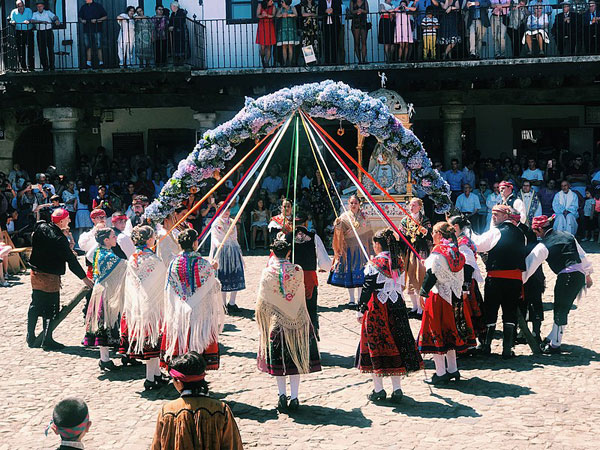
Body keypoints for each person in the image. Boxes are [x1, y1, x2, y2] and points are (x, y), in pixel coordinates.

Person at [356, 229, 424, 402]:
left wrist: (361, 308)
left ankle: (378, 389)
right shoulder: (398, 261)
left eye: (374, 244)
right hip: (397, 306)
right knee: (397, 340)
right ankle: (397, 388)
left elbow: (368, 287)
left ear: (378, 245)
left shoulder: (375, 263)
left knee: (376, 343)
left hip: (378, 307)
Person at [256, 236, 321, 412]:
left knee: (280, 362)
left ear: (273, 253)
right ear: (289, 252)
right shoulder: (297, 270)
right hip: (297, 320)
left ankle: (282, 395)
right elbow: (300, 293)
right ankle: (295, 396)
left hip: (277, 321)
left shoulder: (267, 272)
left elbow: (263, 299)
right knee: (295, 361)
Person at [524, 215, 593, 354]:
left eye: (535, 232)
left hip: (566, 277)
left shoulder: (543, 246)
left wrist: (520, 280)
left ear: (539, 230)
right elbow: (582, 256)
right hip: (578, 275)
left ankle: (555, 344)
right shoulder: (568, 236)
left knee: (560, 309)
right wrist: (587, 275)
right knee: (563, 308)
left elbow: (530, 266)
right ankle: (553, 337)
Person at [27, 208, 93, 350]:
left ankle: (30, 336)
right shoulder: (59, 239)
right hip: (50, 276)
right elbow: (71, 261)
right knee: (51, 308)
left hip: (35, 273)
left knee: (35, 303)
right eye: (68, 218)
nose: (69, 221)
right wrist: (85, 279)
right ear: (62, 221)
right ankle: (47, 340)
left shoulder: (40, 227)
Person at [151, 352, 243, 449]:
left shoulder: (167, 411)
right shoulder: (221, 409)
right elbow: (233, 445)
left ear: (179, 382)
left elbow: (157, 446)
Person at [418, 222, 472, 385]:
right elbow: (466, 271)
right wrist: (464, 290)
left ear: (440, 235)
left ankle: (440, 372)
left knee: (438, 333)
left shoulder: (438, 253)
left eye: (434, 233)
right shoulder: (456, 251)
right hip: (455, 297)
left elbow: (432, 274)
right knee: (451, 332)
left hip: (439, 297)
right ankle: (453, 369)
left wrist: (422, 292)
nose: (432, 236)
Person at [162, 229, 224, 370]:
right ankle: (196, 370)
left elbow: (170, 287)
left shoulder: (173, 264)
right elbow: (213, 287)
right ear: (195, 243)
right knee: (197, 339)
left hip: (180, 310)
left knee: (182, 337)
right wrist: (213, 269)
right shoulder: (203, 264)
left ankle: (181, 369)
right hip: (199, 312)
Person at [471, 204, 527, 359]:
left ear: (506, 216)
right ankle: (507, 349)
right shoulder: (521, 234)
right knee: (510, 311)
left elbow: (479, 245)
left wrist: (468, 232)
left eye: (497, 214)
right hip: (515, 279)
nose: (494, 217)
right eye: (493, 214)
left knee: (491, 311)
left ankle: (487, 346)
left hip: (496, 278)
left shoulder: (496, 232)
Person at [120, 225, 167, 390]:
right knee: (153, 341)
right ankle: (150, 377)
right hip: (152, 304)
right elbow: (163, 278)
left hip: (137, 304)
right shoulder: (152, 259)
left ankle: (156, 374)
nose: (155, 239)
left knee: (150, 340)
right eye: (153, 236)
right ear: (148, 239)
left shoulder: (133, 257)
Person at [84, 227, 128, 371]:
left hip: (102, 291)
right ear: (106, 240)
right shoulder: (107, 256)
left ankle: (107, 358)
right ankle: (105, 359)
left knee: (104, 324)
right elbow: (125, 266)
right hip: (105, 294)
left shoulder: (99, 252)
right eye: (113, 236)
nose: (116, 238)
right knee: (104, 324)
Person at [284, 212, 332, 338]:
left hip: (292, 278)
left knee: (292, 310)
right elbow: (325, 263)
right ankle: (312, 340)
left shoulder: (287, 237)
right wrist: (325, 267)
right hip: (309, 278)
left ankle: (293, 339)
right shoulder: (314, 237)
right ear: (306, 223)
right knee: (311, 309)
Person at [328, 195, 374, 305]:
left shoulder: (364, 217)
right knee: (350, 274)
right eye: (351, 203)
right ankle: (351, 299)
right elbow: (339, 233)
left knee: (360, 274)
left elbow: (369, 234)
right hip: (348, 249)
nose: (353, 205)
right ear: (348, 204)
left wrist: (371, 250)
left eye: (355, 203)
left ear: (359, 204)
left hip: (361, 249)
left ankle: (360, 298)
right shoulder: (344, 217)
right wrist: (338, 225)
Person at [209, 203, 246, 313]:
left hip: (233, 251)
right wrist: (218, 244)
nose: (226, 213)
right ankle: (223, 303)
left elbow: (235, 237)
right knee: (223, 277)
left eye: (228, 210)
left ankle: (232, 303)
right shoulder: (216, 223)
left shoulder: (232, 222)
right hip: (222, 252)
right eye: (224, 210)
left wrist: (238, 250)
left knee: (235, 275)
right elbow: (214, 237)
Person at [398, 198, 432, 318]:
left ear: (419, 207)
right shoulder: (405, 220)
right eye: (410, 205)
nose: (411, 207)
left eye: (414, 205)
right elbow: (401, 236)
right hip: (410, 252)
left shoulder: (424, 220)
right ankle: (414, 306)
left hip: (421, 251)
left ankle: (421, 307)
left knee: (420, 276)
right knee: (411, 277)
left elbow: (429, 234)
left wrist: (425, 232)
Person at [31, 1, 60, 71]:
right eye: (38, 7)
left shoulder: (48, 12)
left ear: (43, 6)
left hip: (48, 31)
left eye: (40, 6)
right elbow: (32, 21)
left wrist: (56, 20)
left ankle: (52, 66)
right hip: (40, 32)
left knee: (50, 49)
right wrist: (41, 22)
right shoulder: (35, 13)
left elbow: (54, 17)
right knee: (42, 50)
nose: (39, 8)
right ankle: (45, 66)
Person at [78, 0, 107, 69]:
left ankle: (101, 63)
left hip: (97, 29)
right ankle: (88, 64)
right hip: (87, 30)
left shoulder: (98, 6)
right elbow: (80, 17)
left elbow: (105, 16)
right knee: (88, 46)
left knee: (99, 46)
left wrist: (97, 20)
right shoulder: (83, 7)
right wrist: (82, 20)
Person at [10, 0, 34, 72]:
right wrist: (13, 22)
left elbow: (30, 19)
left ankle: (31, 67)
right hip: (19, 32)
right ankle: (23, 67)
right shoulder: (14, 12)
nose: (20, 7)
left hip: (28, 31)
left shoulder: (28, 10)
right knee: (21, 50)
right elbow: (11, 20)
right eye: (18, 6)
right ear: (16, 6)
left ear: (23, 5)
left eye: (21, 6)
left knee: (30, 49)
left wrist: (28, 21)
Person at [319, 0, 342, 64]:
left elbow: (339, 11)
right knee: (326, 43)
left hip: (335, 25)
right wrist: (325, 11)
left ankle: (334, 60)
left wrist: (333, 11)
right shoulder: (321, 2)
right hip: (325, 25)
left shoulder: (336, 1)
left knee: (334, 42)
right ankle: (327, 60)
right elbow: (319, 12)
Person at [277, 0, 298, 67]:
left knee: (290, 46)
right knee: (284, 46)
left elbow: (296, 14)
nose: (281, 3)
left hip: (291, 29)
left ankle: (290, 62)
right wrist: (282, 15)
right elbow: (277, 15)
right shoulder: (281, 9)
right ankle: (285, 62)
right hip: (283, 29)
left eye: (282, 2)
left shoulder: (292, 8)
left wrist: (288, 15)